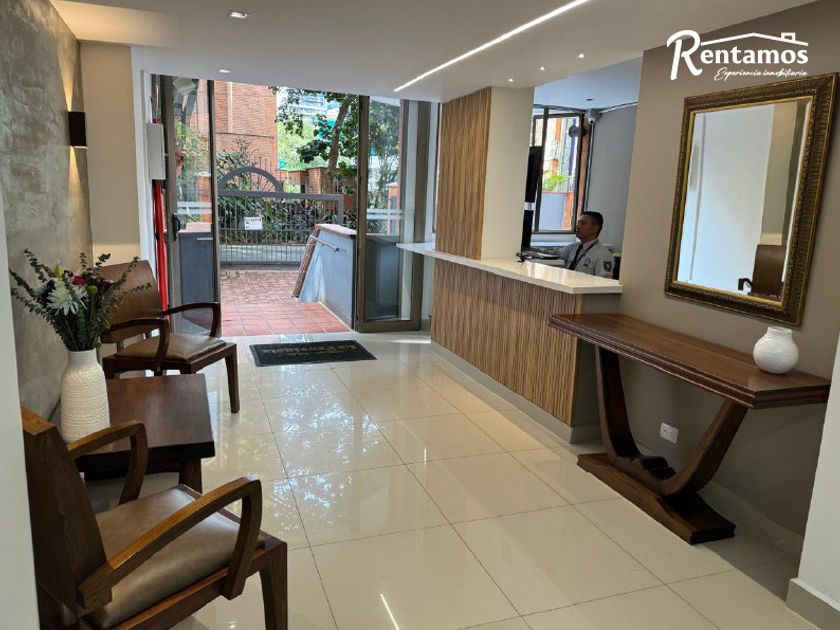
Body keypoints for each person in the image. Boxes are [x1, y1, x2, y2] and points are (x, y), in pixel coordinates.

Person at [543, 211, 615, 278]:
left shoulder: (604, 255)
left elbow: (604, 282)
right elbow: (555, 252)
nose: (578, 226)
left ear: (595, 229)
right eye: (578, 223)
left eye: (583, 223)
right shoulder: (574, 247)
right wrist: (537, 249)